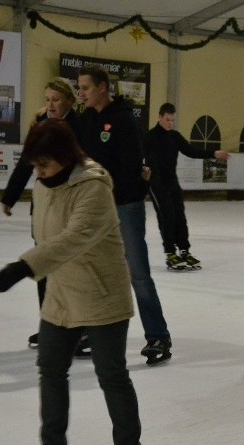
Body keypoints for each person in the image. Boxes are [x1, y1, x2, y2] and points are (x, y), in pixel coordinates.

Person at [0, 119, 144, 445]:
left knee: (111, 375)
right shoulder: (44, 185)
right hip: (60, 292)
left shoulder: (93, 186)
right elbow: (44, 234)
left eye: (44, 165)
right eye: (34, 166)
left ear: (64, 157)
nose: (38, 173)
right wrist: (39, 268)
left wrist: (24, 266)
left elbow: (76, 238)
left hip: (101, 292)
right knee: (50, 368)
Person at [76, 64, 173, 365]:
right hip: (94, 207)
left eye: (86, 88)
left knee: (138, 274)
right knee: (96, 273)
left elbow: (132, 166)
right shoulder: (85, 120)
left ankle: (158, 337)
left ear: (102, 87)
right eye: (79, 88)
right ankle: (96, 333)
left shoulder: (124, 120)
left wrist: (117, 193)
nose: (82, 93)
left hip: (124, 206)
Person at [1, 77, 89, 353]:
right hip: (43, 205)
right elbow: (28, 162)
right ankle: (51, 326)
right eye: (47, 99)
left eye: (56, 99)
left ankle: (81, 330)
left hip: (70, 203)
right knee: (44, 265)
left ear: (69, 101)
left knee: (72, 267)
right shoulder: (41, 125)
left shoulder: (80, 127)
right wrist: (10, 196)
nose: (50, 104)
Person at [143, 102, 230, 270]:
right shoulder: (150, 137)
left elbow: (191, 151)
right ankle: (170, 253)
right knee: (167, 218)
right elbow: (139, 155)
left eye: (173, 120)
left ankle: (184, 250)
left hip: (172, 183)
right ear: (159, 117)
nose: (170, 123)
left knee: (180, 217)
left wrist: (213, 153)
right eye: (167, 119)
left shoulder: (175, 136)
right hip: (156, 184)